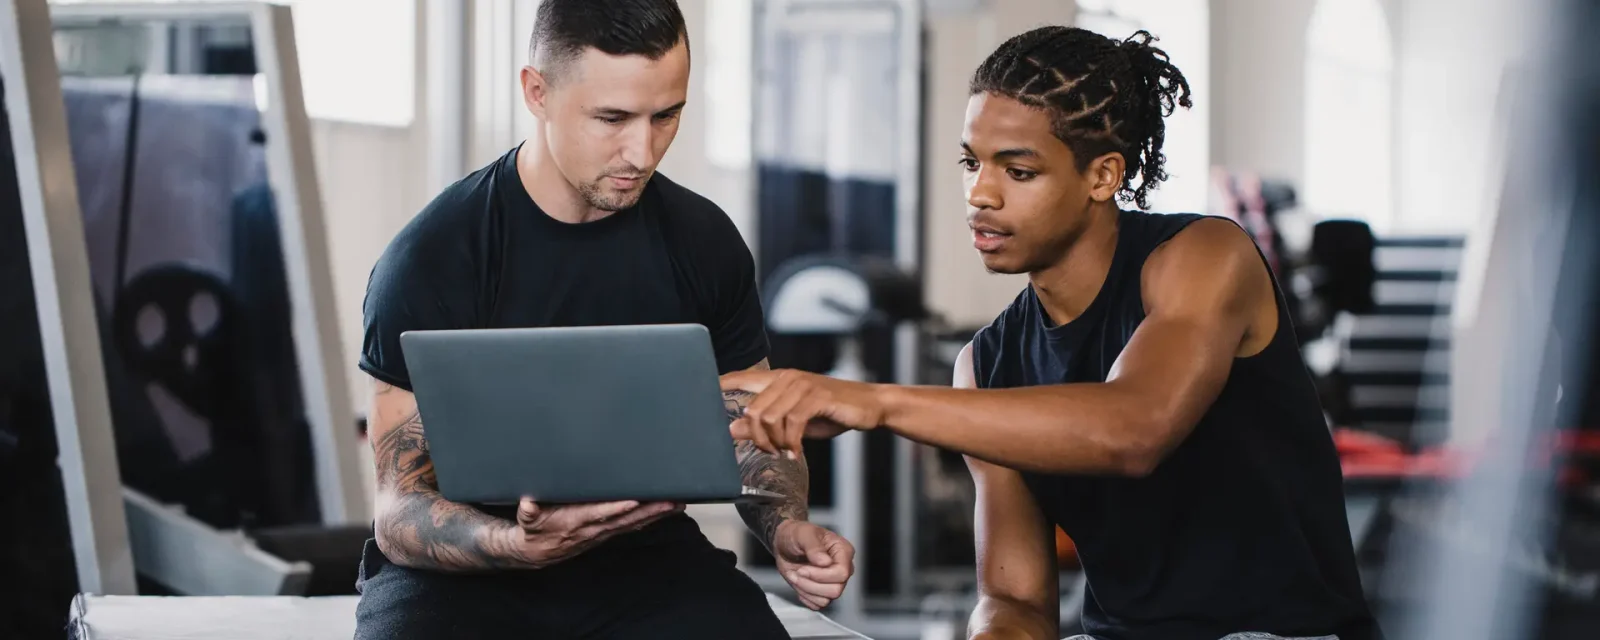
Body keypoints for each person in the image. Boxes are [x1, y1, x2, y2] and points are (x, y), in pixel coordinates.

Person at [721, 27, 1381, 640]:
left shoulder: (1204, 256)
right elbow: (1015, 602)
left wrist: (876, 402)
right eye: (970, 162)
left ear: (1102, 176)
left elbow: (1135, 430)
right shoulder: (988, 363)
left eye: (1018, 170)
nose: (980, 193)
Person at [353, 1, 853, 637]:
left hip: (641, 556)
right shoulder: (433, 256)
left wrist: (786, 525)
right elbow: (399, 509)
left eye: (666, 116)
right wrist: (514, 543)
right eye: (611, 118)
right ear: (537, 92)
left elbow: (751, 427)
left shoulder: (704, 242)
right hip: (463, 574)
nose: (642, 152)